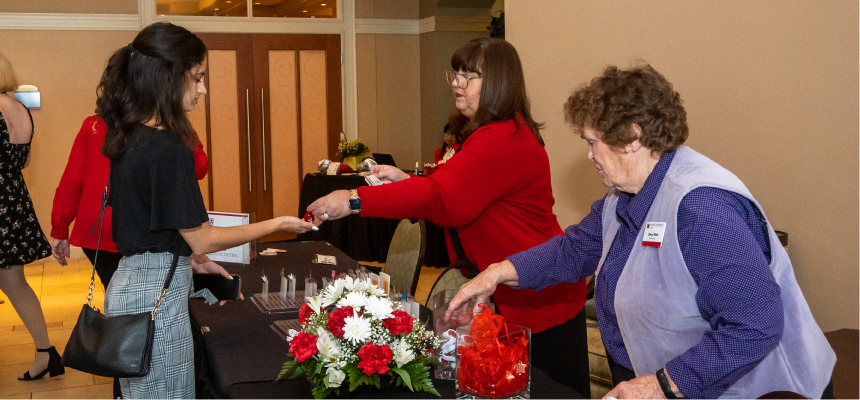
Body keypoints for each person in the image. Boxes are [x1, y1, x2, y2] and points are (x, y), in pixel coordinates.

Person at [447, 64, 836, 399]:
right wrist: (496, 274)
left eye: (592, 142)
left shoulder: (702, 209)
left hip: (755, 388)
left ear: (632, 137)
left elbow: (754, 325)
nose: (589, 155)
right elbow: (573, 250)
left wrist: (661, 386)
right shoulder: (626, 195)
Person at [308, 38, 591, 397]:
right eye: (455, 73)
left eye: (469, 75)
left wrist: (354, 200)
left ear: (498, 84)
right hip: (519, 290)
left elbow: (444, 198)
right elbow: (460, 192)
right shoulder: (493, 133)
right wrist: (409, 181)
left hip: (539, 298)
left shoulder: (501, 139)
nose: (457, 82)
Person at [97, 22, 315, 398]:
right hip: (156, 301)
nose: (203, 89)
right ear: (168, 77)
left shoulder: (131, 134)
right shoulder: (167, 149)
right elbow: (203, 236)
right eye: (196, 78)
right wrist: (277, 223)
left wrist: (191, 262)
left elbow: (148, 226)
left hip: (134, 285)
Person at [49, 116, 211, 399]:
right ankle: (130, 384)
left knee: (128, 320)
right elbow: (199, 167)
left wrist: (59, 227)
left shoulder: (94, 125)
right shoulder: (165, 128)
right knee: (139, 322)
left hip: (99, 228)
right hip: (145, 229)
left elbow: (72, 177)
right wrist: (184, 128)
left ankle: (126, 385)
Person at [0, 51, 65, 381]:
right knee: (15, 283)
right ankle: (46, 353)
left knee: (13, 283)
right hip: (11, 202)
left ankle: (47, 354)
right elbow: (22, 162)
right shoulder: (20, 109)